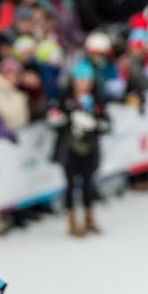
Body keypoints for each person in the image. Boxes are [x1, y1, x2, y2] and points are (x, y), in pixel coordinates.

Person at [49, 61, 111, 237]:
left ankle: (89, 218)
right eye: (80, 79)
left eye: (87, 80)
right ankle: (72, 221)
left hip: (89, 149)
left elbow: (107, 125)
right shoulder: (64, 98)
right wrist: (66, 119)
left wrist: (94, 123)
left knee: (88, 183)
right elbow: (53, 121)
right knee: (70, 185)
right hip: (69, 149)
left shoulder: (96, 100)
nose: (83, 83)